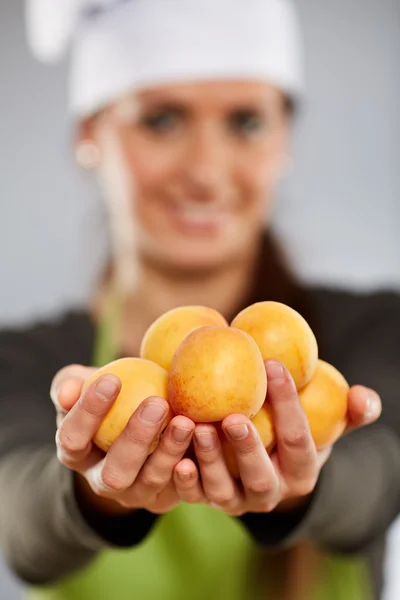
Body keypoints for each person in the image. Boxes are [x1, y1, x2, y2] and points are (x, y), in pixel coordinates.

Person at [0, 0, 399, 598]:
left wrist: (302, 485)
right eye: (162, 120)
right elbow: (25, 531)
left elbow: (374, 486)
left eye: (245, 122)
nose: (206, 172)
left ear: (284, 138)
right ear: (91, 134)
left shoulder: (372, 329)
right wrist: (94, 491)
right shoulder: (28, 362)